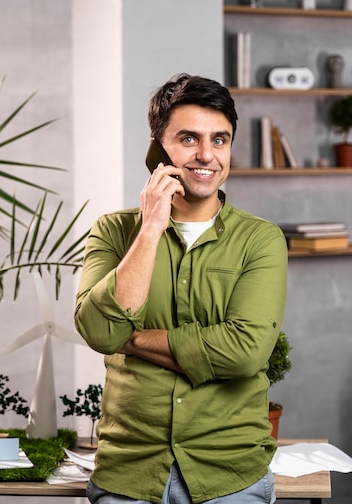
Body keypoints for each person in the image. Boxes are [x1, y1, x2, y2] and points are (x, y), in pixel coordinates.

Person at [74, 74, 288, 504]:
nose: (207, 155)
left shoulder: (261, 240)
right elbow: (98, 332)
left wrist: (132, 339)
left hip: (228, 474)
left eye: (220, 140)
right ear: (158, 148)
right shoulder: (114, 232)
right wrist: (151, 226)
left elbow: (245, 351)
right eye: (189, 139)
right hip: (130, 473)